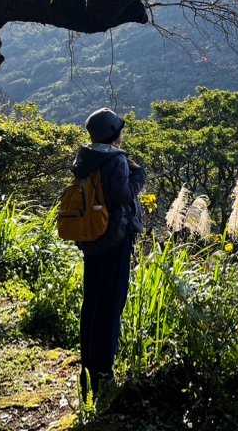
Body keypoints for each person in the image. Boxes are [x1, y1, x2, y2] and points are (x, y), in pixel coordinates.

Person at [74, 107, 146, 400]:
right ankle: (103, 374)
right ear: (115, 134)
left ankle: (88, 368)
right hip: (113, 241)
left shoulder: (86, 157)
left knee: (91, 303)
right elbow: (124, 195)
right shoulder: (115, 160)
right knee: (110, 306)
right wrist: (139, 173)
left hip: (91, 239)